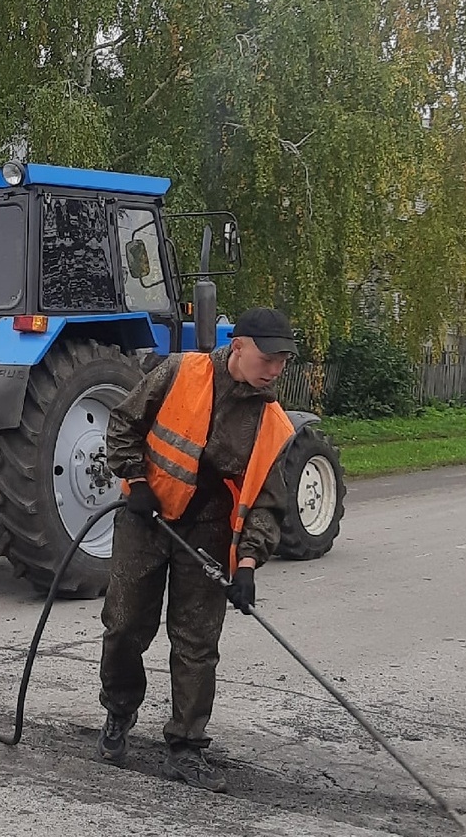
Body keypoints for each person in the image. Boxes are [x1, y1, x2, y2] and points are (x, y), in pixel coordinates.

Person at [95, 307, 298, 792]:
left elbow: (266, 502)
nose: (274, 369)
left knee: (196, 644)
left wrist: (246, 565)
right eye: (268, 358)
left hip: (206, 531)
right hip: (148, 518)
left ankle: (186, 746)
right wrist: (136, 481)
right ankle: (118, 713)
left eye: (283, 361)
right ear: (241, 346)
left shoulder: (271, 422)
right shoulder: (181, 371)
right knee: (125, 625)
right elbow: (124, 423)